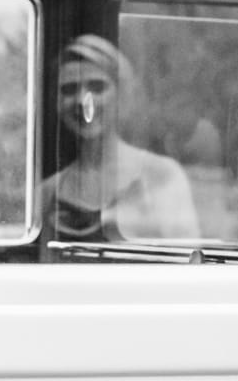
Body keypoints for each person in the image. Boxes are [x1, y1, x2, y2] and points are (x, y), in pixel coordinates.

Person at [40, 34, 199, 244]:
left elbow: (188, 267)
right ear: (57, 102)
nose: (82, 101)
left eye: (97, 87)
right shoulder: (47, 192)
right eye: (69, 90)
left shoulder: (162, 176)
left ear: (121, 93)